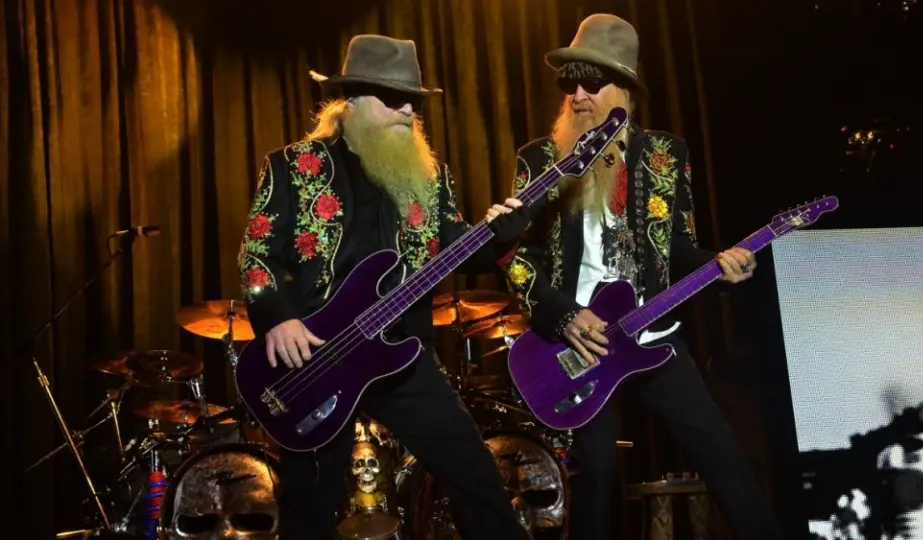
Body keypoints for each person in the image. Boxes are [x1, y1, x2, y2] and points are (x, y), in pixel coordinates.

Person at [497, 13, 784, 540]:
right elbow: (516, 259)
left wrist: (719, 266)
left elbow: (675, 245)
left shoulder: (665, 155)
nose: (577, 95)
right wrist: (563, 318)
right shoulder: (540, 160)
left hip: (655, 336)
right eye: (569, 83)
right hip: (583, 344)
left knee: (722, 456)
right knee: (597, 473)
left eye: (592, 82)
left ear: (624, 87)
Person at [237, 34, 531, 540]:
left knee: (476, 474)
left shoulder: (431, 175)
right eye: (393, 98)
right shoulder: (291, 166)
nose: (407, 111)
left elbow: (457, 249)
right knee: (310, 501)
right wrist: (277, 318)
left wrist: (501, 236)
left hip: (403, 353)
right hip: (317, 360)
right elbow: (255, 253)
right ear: (349, 99)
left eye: (414, 101)